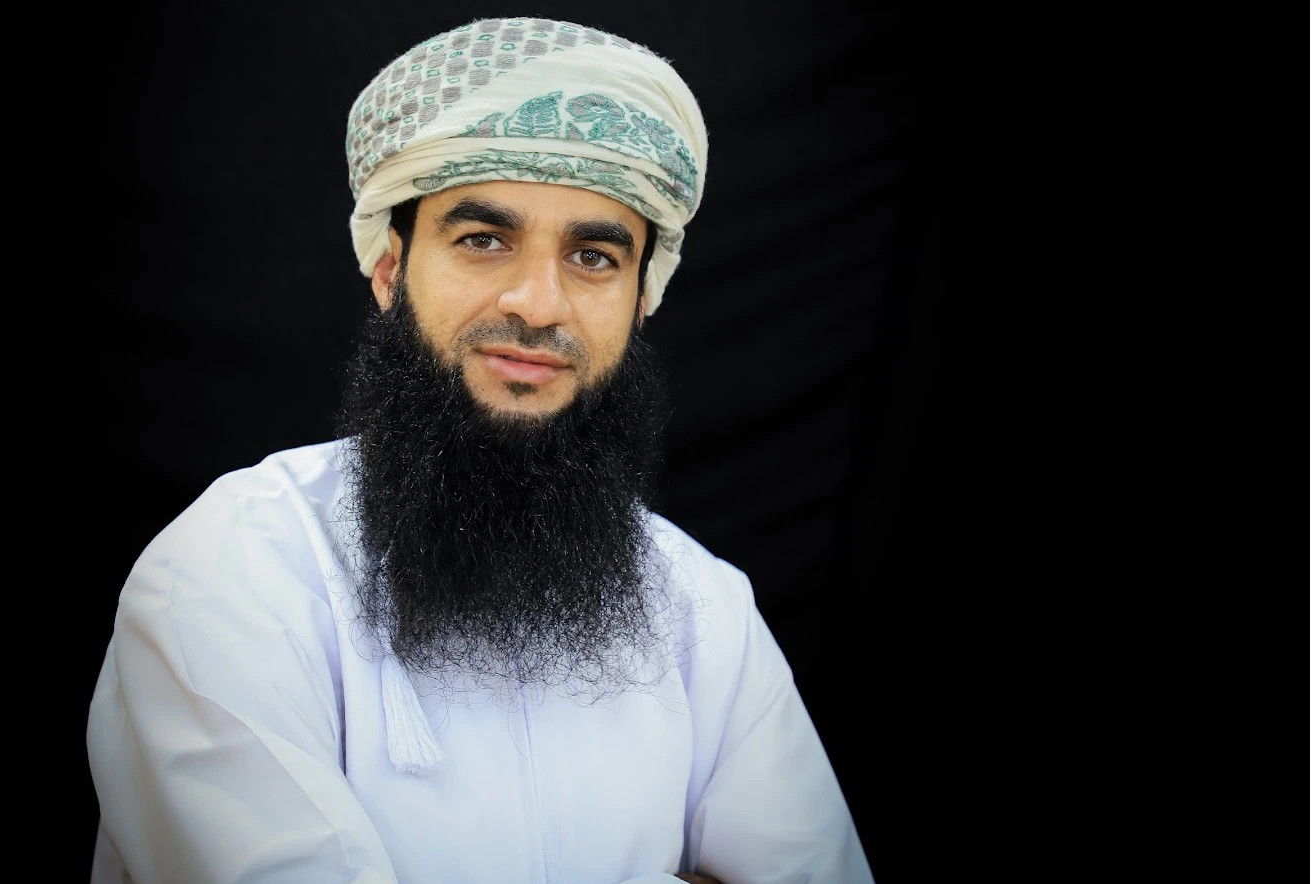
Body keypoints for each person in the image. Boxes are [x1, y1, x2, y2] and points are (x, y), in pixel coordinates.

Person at [86, 16, 873, 884]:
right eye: (483, 241)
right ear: (391, 272)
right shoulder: (237, 567)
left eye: (593, 256)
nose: (538, 303)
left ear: (642, 299)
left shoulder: (702, 609)